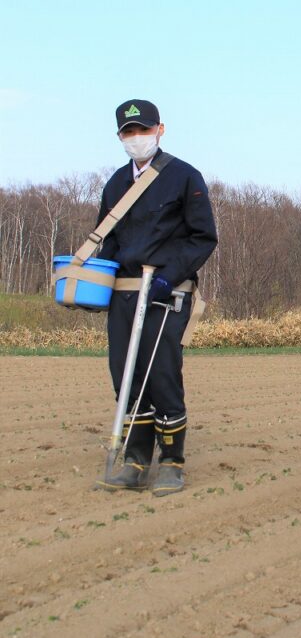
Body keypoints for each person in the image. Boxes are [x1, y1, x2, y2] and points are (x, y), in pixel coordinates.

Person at [96, 99, 217, 497]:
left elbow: (203, 237)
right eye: (128, 133)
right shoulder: (115, 183)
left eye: (142, 130)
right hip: (125, 294)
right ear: (120, 137)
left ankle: (172, 461)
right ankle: (134, 459)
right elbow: (107, 239)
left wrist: (170, 276)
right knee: (125, 376)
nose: (136, 139)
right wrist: (98, 275)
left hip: (167, 292)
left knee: (160, 374)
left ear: (160, 129)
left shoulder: (184, 177)